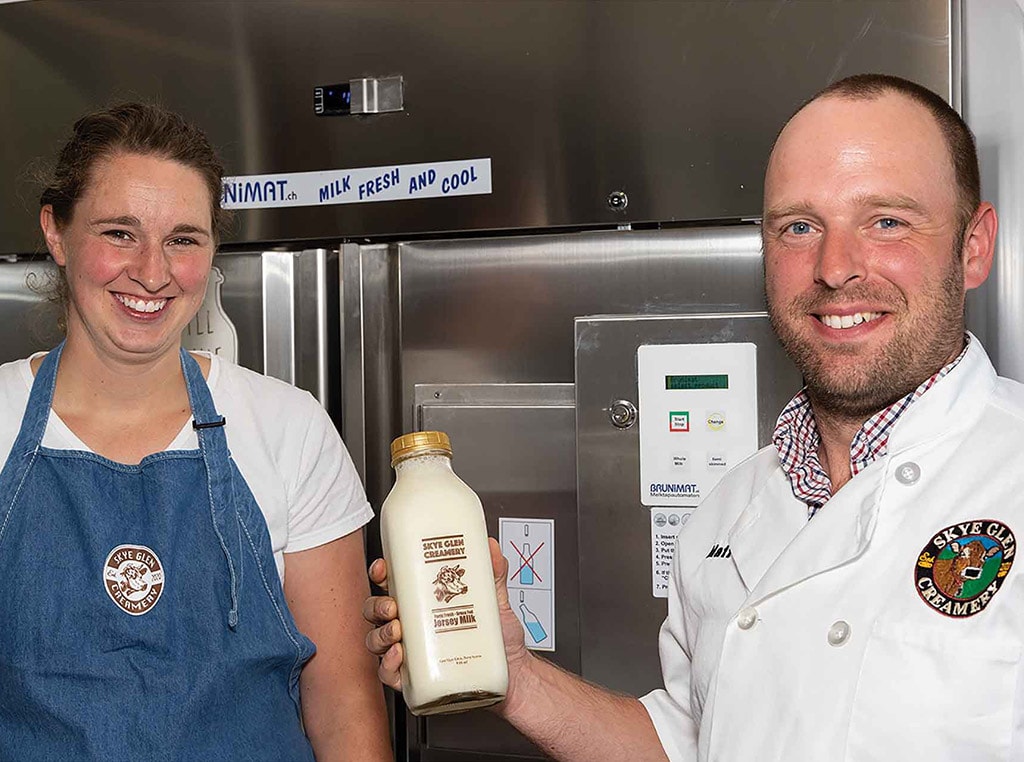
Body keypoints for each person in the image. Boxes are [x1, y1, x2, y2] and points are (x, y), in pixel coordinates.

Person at [364, 73, 1024, 761]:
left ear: (973, 247)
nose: (835, 268)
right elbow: (684, 744)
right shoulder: (724, 514)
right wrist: (513, 676)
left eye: (886, 221)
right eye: (799, 227)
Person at [0, 103, 392, 760]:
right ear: (57, 232)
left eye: (183, 239)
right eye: (120, 233)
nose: (153, 273)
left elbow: (344, 704)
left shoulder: (288, 427)